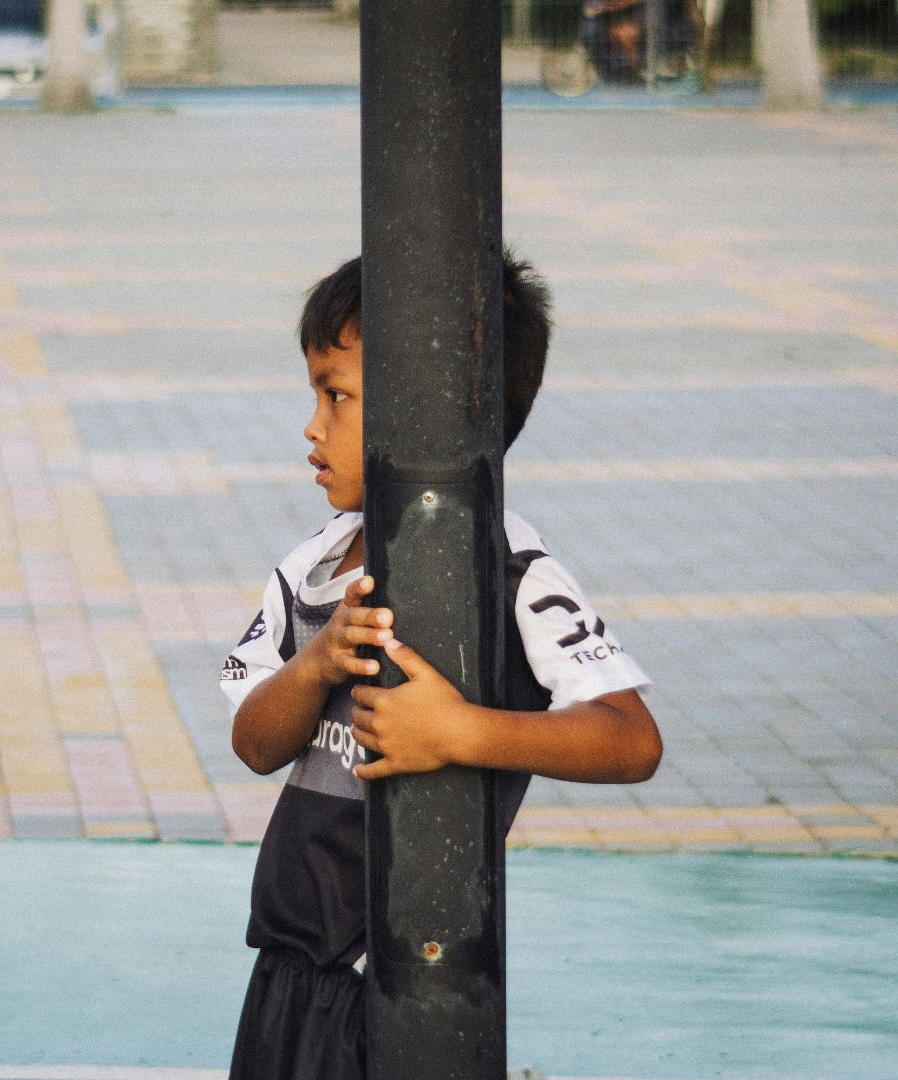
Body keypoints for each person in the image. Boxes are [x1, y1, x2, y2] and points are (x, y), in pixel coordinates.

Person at [219, 253, 664, 1080]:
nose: (312, 427)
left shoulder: (511, 566)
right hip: (285, 974)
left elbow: (630, 742)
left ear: (430, 410)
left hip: (391, 990)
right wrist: (317, 663)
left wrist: (460, 731)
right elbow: (253, 741)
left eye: (337, 395)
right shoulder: (311, 567)